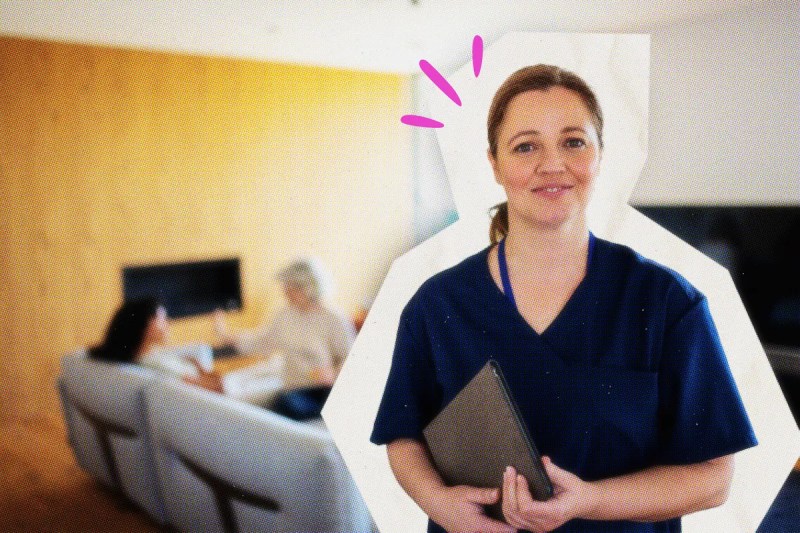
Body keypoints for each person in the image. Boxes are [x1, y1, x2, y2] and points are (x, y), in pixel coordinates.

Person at [370, 65, 757, 533]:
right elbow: (403, 436)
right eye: (526, 145)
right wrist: (438, 503)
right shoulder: (438, 305)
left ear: (599, 155)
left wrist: (591, 500)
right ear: (494, 164)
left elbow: (713, 479)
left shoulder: (667, 304)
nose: (552, 164)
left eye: (573, 141)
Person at [214, 258, 356, 420]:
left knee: (285, 405)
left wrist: (334, 373)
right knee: (265, 403)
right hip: (293, 386)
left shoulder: (334, 319)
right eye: (286, 287)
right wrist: (228, 336)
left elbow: (352, 358)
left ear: (308, 288)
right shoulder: (284, 315)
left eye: (291, 287)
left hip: (323, 390)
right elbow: (263, 341)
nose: (286, 292)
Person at [89, 297, 224, 393]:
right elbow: (211, 387)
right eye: (163, 318)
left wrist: (197, 366)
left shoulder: (147, 356)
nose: (168, 323)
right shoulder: (157, 365)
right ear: (145, 326)